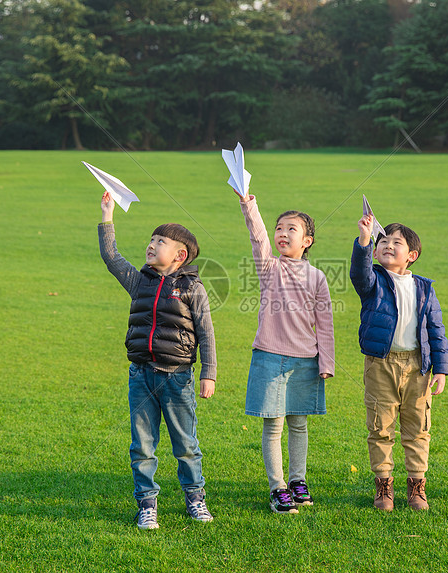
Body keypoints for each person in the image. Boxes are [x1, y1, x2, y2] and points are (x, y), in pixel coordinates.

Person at [98, 192, 217, 530]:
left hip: (177, 379)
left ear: (180, 255)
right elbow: (110, 256)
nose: (151, 245)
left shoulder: (192, 288)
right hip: (141, 376)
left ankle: (195, 499)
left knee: (186, 445)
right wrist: (107, 214)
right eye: (151, 239)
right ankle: (147, 504)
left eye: (160, 241)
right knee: (142, 446)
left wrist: (209, 374)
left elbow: (207, 334)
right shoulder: (139, 282)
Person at [235, 190, 335, 514]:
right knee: (273, 426)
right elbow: (258, 238)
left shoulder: (318, 278)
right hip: (269, 356)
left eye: (291, 229)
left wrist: (326, 362)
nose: (282, 233)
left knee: (299, 424)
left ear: (307, 240)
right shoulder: (270, 268)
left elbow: (326, 325)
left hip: (305, 361)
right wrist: (249, 205)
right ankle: (277, 488)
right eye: (279, 228)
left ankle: (298, 481)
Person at [350, 215, 448, 511]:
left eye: (397, 242)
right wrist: (365, 240)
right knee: (381, 425)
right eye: (383, 242)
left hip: (418, 366)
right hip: (381, 364)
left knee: (417, 426)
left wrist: (441, 369)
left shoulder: (424, 288)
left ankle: (416, 485)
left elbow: (436, 330)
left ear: (412, 255)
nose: (388, 246)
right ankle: (384, 484)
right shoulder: (374, 282)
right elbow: (359, 272)